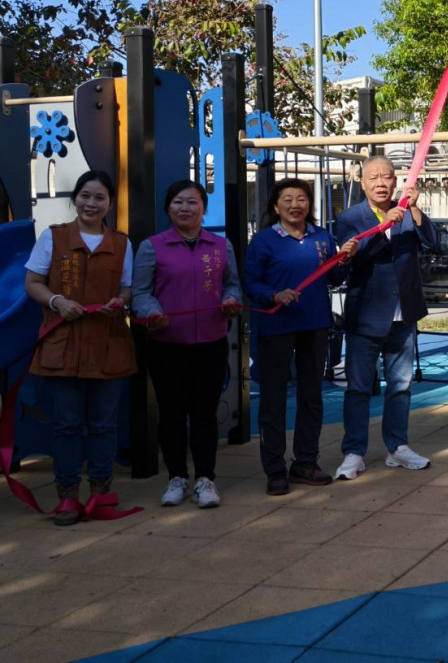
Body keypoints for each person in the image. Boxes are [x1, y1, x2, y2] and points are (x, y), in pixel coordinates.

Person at [23, 170, 136, 526]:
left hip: (107, 342)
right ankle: (68, 497)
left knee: (104, 424)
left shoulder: (121, 243)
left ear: (109, 203)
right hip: (64, 345)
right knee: (68, 425)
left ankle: (101, 494)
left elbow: (127, 288)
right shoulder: (53, 237)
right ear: (76, 198)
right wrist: (57, 301)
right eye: (85, 196)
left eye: (99, 197)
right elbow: (33, 283)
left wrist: (119, 301)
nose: (91, 203)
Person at [131, 180, 242, 509]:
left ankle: (206, 478)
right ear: (168, 208)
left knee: (205, 414)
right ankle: (176, 477)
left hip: (211, 342)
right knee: (172, 413)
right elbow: (140, 292)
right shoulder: (152, 247)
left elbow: (232, 284)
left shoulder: (221, 247)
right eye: (178, 202)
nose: (185, 208)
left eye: (192, 202)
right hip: (166, 344)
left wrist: (231, 299)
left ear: (203, 209)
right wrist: (152, 312)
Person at [243, 178, 358, 496]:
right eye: (288, 199)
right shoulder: (264, 241)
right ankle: (275, 469)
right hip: (276, 328)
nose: (296, 205)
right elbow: (250, 283)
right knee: (273, 400)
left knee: (311, 397)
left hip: (315, 326)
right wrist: (273, 295)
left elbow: (334, 277)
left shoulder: (322, 237)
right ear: (276, 206)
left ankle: (306, 462)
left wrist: (344, 259)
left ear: (310, 204)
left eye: (302, 199)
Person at [333, 155, 437, 480]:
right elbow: (353, 260)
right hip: (365, 316)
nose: (381, 183)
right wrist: (383, 227)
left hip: (403, 314)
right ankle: (354, 452)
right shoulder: (350, 217)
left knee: (401, 386)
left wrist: (414, 210)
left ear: (396, 181)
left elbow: (432, 242)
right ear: (362, 183)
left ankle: (398, 447)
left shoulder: (407, 212)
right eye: (374, 177)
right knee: (358, 388)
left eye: (387, 177)